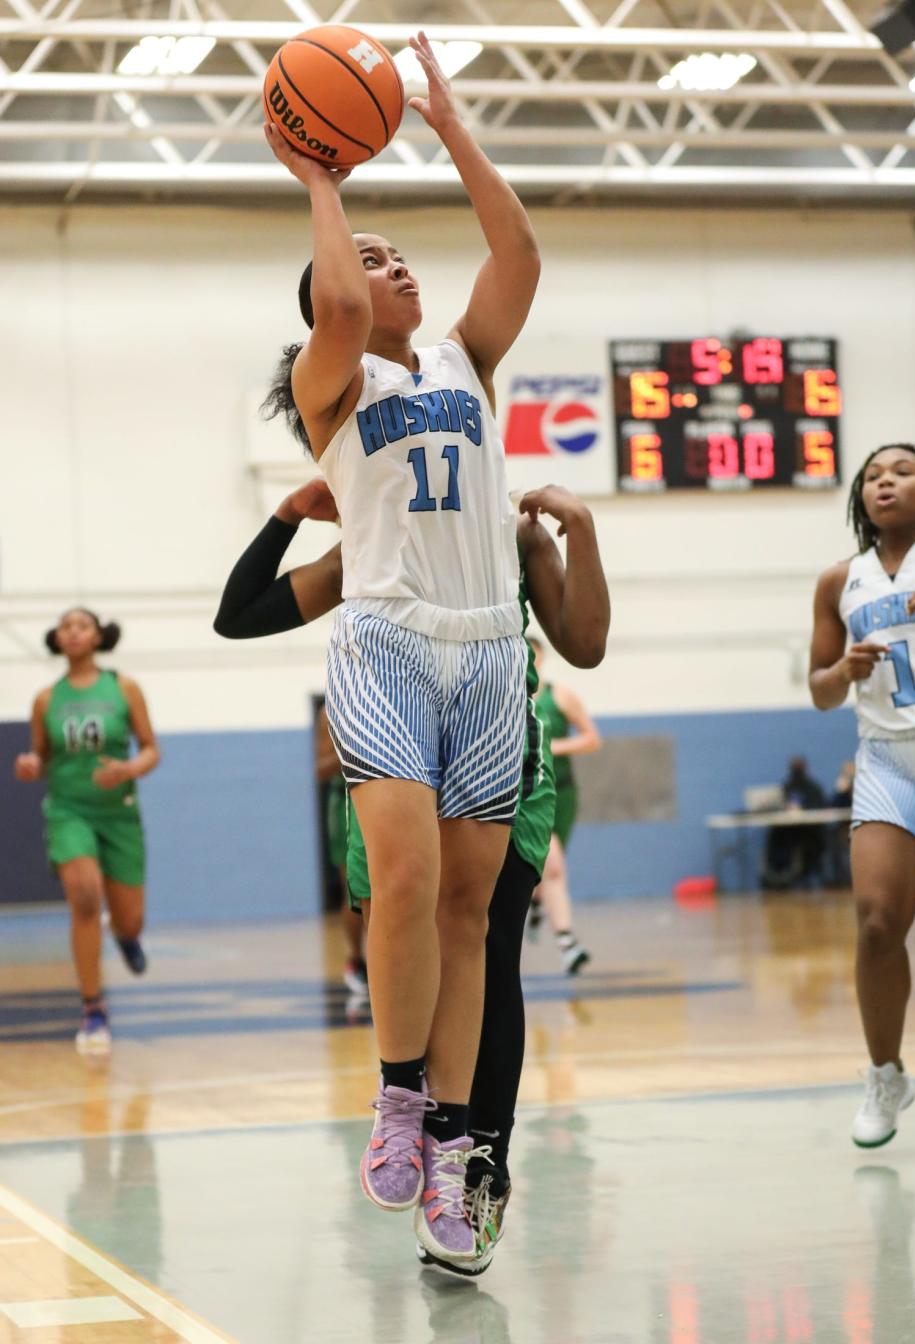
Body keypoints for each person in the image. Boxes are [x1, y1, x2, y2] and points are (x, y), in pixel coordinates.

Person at [253, 32, 540, 1263]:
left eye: (393, 253)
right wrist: (320, 176)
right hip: (385, 646)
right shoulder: (334, 386)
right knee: (408, 888)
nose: (385, 268)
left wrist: (447, 123)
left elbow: (519, 253)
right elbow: (341, 302)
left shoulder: (468, 359)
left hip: (488, 653)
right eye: (365, 264)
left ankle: (461, 1150)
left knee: (473, 914)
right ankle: (400, 1097)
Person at [215, 476, 609, 1277]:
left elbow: (586, 644)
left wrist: (585, 531)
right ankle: (411, 1122)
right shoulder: (371, 537)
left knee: (488, 952)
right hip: (396, 777)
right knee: (408, 953)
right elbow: (238, 615)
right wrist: (287, 514)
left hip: (504, 773)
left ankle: (477, 1162)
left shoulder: (508, 531)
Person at [809, 443, 915, 1147]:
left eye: (901, 473)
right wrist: (843, 666)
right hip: (885, 756)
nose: (885, 483)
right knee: (875, 923)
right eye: (872, 476)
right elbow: (819, 691)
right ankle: (885, 1073)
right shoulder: (841, 579)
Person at [12, 609, 160, 1053]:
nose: (73, 631)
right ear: (57, 639)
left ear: (98, 636)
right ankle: (93, 1008)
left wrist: (129, 767)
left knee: (130, 917)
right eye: (65, 626)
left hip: (119, 812)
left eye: (82, 625)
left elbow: (152, 749)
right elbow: (39, 755)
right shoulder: (44, 699)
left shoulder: (124, 687)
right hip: (69, 810)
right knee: (84, 896)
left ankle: (126, 935)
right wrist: (30, 764)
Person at [526, 640, 601, 972]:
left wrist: (552, 746)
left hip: (562, 792)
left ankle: (538, 903)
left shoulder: (560, 697)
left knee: (549, 866)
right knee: (552, 864)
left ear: (541, 659)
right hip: (525, 795)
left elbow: (592, 738)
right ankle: (567, 942)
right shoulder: (507, 701)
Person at [315, 701, 367, 997]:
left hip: (390, 796)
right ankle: (356, 960)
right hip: (345, 800)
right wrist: (351, 748)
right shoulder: (329, 712)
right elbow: (319, 769)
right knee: (357, 888)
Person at [761, 756, 827, 890]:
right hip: (788, 830)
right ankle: (772, 877)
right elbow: (778, 805)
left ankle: (795, 874)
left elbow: (820, 807)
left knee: (800, 843)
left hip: (808, 831)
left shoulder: (813, 788)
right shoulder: (786, 786)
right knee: (774, 836)